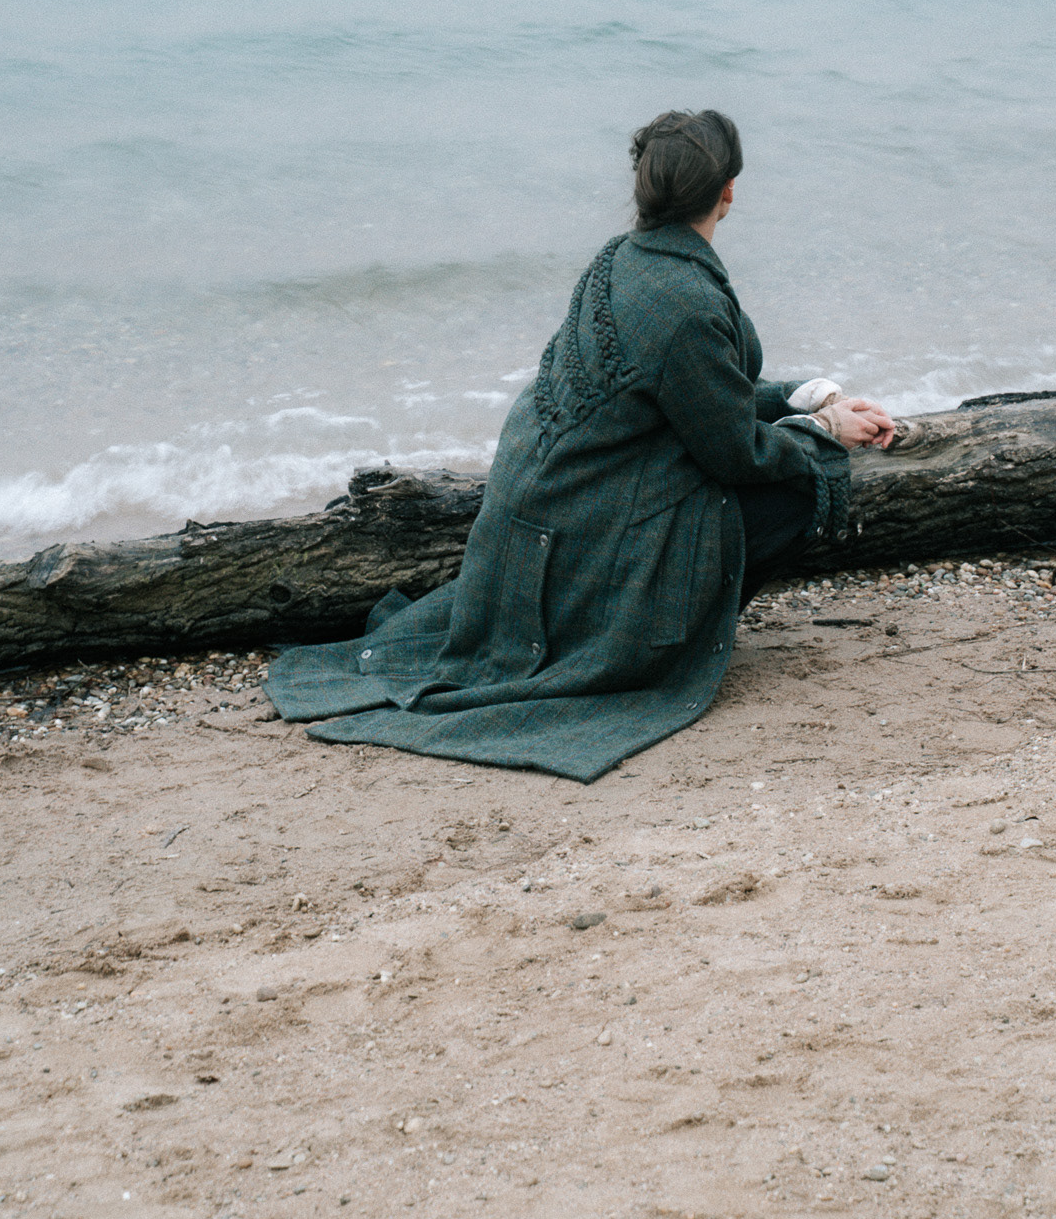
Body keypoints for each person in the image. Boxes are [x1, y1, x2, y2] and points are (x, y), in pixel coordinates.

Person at [264, 111, 896, 781]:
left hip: (549, 507)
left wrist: (806, 397)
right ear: (728, 192)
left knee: (781, 460)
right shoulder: (685, 299)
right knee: (802, 485)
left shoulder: (619, 259)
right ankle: (665, 633)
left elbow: (693, 392)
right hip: (587, 525)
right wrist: (826, 433)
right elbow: (735, 451)